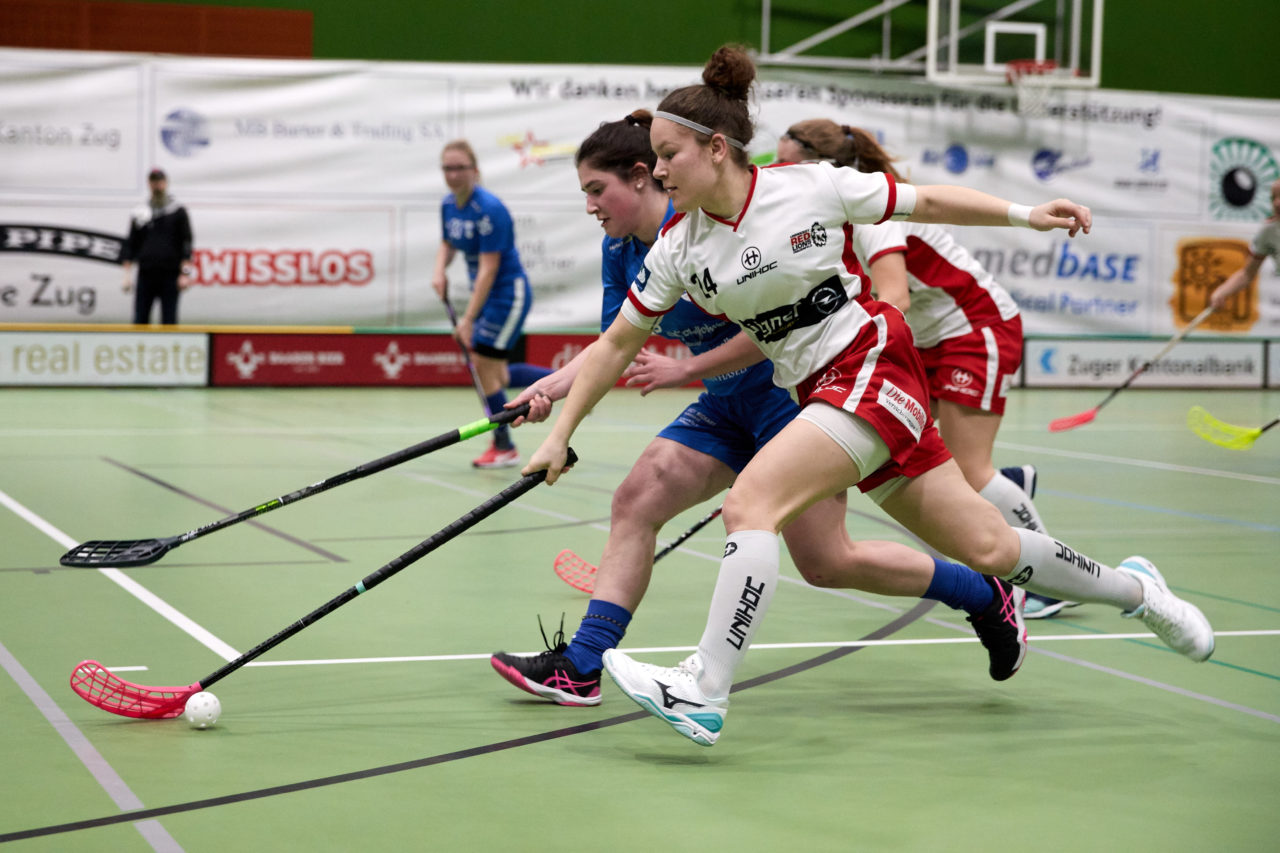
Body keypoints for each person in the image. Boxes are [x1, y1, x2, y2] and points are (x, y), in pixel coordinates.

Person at [524, 44, 1216, 747]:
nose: (661, 169)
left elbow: (927, 199)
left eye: (670, 154)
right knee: (994, 546)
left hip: (869, 362)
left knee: (750, 502)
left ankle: (705, 687)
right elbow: (615, 344)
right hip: (820, 388)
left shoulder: (806, 186)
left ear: (717, 148)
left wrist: (1027, 213)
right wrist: (558, 433)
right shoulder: (679, 250)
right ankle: (1141, 592)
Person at [490, 111, 1027, 707]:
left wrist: (690, 367)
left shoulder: (700, 222)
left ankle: (982, 593)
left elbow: (773, 321)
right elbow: (612, 346)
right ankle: (583, 665)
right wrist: (550, 394)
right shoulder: (620, 252)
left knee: (827, 562)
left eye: (597, 189)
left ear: (641, 177)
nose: (591, 205)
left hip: (791, 399)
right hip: (725, 407)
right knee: (636, 499)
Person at [777, 119, 1073, 619]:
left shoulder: (870, 209)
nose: (775, 174)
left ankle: (1046, 579)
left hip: (975, 327)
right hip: (929, 336)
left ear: (820, 166)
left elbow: (895, 295)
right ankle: (1013, 485)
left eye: (786, 163)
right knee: (932, 456)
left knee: (970, 467)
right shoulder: (819, 216)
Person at [431, 139, 547, 468]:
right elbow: (447, 242)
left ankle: (504, 446)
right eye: (447, 168)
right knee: (496, 375)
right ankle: (573, 380)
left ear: (475, 171)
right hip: (486, 297)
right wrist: (440, 271)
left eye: (460, 168)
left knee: (483, 366)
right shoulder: (449, 205)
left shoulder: (490, 209)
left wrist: (467, 319)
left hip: (507, 295)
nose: (453, 175)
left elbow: (489, 269)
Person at [122, 168, 193, 325]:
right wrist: (127, 276)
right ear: (149, 184)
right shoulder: (140, 212)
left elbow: (187, 245)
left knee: (169, 319)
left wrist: (185, 274)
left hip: (170, 274)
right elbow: (131, 244)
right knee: (140, 318)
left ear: (166, 183)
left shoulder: (177, 211)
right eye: (154, 182)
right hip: (146, 273)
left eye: (160, 182)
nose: (157, 185)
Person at [1209, 178, 1280, 310]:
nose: (1277, 203)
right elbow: (1247, 274)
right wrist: (1221, 292)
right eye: (1273, 197)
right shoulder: (1268, 232)